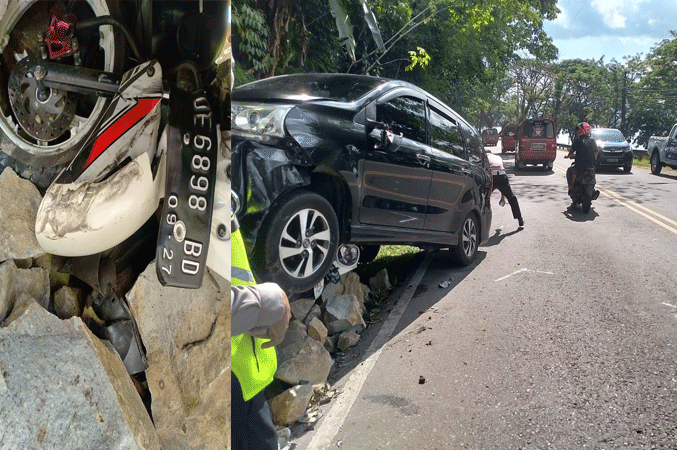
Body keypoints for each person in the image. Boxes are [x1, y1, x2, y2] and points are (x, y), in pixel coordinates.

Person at [231, 214, 291, 450]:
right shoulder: (174, 183)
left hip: (239, 378)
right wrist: (272, 303)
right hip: (230, 384)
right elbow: (191, 307)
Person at [486, 149, 524, 227]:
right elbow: (502, 169)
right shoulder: (498, 157)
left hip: (491, 177)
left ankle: (484, 222)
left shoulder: (484, 157)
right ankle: (520, 219)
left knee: (484, 198)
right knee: (511, 197)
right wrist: (502, 196)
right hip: (502, 176)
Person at [565, 122, 599, 198]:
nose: (577, 131)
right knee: (593, 175)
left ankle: (571, 189)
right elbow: (596, 152)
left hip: (579, 167)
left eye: (579, 129)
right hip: (591, 168)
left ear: (583, 130)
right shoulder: (593, 141)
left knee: (569, 171)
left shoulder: (577, 141)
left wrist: (568, 156)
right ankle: (592, 190)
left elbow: (571, 153)